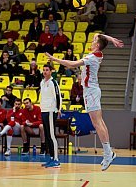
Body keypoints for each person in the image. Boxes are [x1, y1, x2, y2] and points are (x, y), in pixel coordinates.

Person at [46, 33, 124, 171]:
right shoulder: (98, 54)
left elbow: (72, 64)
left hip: (91, 91)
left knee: (97, 123)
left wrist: (54, 59)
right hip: (92, 91)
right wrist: (112, 39)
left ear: (98, 45)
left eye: (94, 41)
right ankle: (108, 152)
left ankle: (108, 154)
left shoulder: (92, 57)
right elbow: (99, 34)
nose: (92, 40)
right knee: (100, 122)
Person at [40, 64, 62, 168]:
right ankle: (52, 158)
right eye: (43, 70)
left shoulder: (53, 83)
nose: (45, 72)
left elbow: (58, 96)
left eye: (47, 70)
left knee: (52, 136)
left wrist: (58, 109)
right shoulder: (42, 82)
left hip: (50, 111)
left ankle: (56, 160)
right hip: (44, 110)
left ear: (51, 71)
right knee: (47, 136)